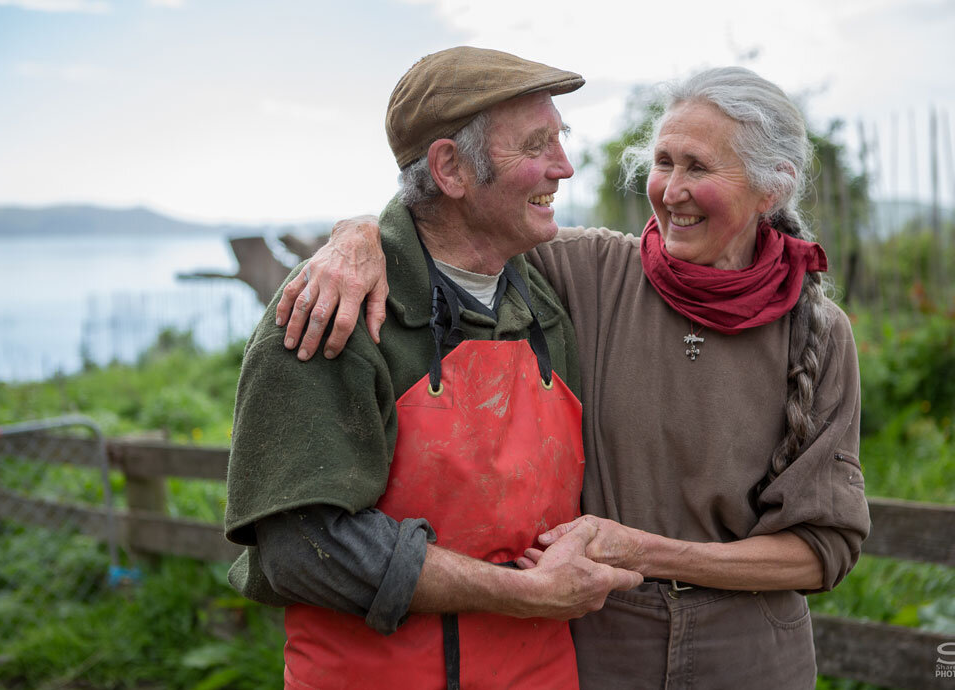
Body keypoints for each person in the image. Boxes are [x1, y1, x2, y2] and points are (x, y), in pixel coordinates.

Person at [277, 66, 871, 688]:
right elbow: (453, 219)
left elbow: (820, 551)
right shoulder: (587, 273)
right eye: (663, 162)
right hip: (597, 648)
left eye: (698, 167)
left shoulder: (819, 334)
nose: (670, 190)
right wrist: (358, 235)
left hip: (752, 660)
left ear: (771, 188)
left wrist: (643, 551)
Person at [224, 46, 642, 690]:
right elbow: (304, 549)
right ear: (450, 168)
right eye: (537, 144)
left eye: (561, 138)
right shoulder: (333, 312)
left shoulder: (552, 302)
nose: (564, 165)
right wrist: (526, 593)